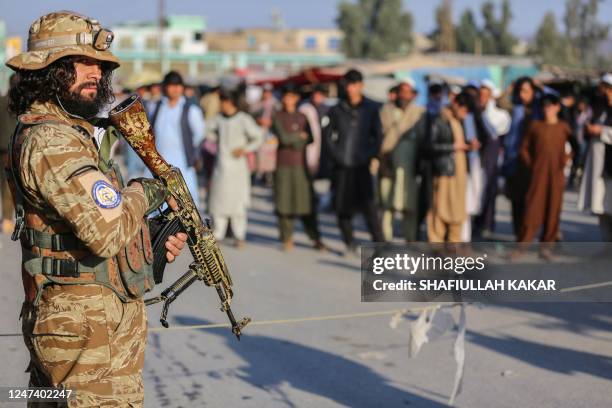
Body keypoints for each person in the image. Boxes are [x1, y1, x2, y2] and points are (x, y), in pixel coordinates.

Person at [6, 11, 187, 406]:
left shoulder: (72, 132)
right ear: (46, 70)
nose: (95, 73)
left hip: (95, 324)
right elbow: (106, 232)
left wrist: (150, 242)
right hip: (83, 333)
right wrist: (146, 191)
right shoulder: (53, 140)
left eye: (99, 64)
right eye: (80, 62)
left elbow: (97, 224)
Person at [322, 69, 384, 253]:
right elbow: (328, 138)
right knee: (342, 207)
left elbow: (377, 137)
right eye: (348, 85)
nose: (351, 89)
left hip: (362, 165)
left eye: (354, 85)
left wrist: (368, 155)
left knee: (369, 207)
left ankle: (380, 245)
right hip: (342, 166)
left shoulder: (371, 109)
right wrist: (337, 156)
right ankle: (349, 242)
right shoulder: (336, 109)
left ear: (361, 86)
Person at [206, 89, 263, 247]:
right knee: (218, 202)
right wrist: (216, 141)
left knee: (238, 204)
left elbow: (258, 136)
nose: (221, 105)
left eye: (222, 101)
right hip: (221, 166)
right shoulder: (218, 119)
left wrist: (245, 149)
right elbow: (207, 131)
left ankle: (239, 236)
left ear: (229, 102)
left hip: (238, 168)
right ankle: (218, 233)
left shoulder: (243, 119)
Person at [517, 94, 572, 256]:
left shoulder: (564, 127)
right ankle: (523, 244)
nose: (547, 109)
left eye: (550, 106)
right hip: (538, 174)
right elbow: (524, 148)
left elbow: (574, 145)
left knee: (553, 208)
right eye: (544, 106)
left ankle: (547, 245)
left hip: (556, 174)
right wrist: (531, 164)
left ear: (557, 107)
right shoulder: (535, 126)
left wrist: (566, 160)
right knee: (532, 208)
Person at [272, 83, 325, 251]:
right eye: (286, 96)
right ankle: (287, 238)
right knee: (284, 204)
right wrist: (298, 137)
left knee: (306, 203)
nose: (289, 100)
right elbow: (284, 139)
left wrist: (294, 139)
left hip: (301, 166)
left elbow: (311, 138)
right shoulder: (277, 116)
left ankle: (315, 238)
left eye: (292, 97)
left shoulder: (303, 116)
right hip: (283, 165)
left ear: (297, 98)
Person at [423, 92, 475, 243]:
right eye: (463, 111)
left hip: (458, 172)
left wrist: (468, 145)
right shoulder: (440, 120)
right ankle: (436, 244)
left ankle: (453, 243)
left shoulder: (459, 121)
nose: (465, 115)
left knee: (457, 208)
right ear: (456, 105)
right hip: (444, 172)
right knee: (439, 209)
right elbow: (430, 146)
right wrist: (452, 146)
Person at [148, 71, 206, 207]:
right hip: (159, 167)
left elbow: (199, 134)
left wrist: (190, 151)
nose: (175, 89)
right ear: (165, 87)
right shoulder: (155, 107)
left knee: (187, 205)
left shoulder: (191, 110)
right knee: (158, 206)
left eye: (178, 85)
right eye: (172, 85)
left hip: (183, 165)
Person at [379, 79, 424, 242]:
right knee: (387, 203)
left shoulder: (419, 113)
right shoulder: (386, 111)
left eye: (408, 92)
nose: (405, 96)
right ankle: (385, 237)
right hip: (389, 162)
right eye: (402, 92)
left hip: (410, 167)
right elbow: (384, 137)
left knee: (409, 204)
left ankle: (410, 237)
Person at [502, 77, 542, 237]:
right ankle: (519, 234)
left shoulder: (539, 110)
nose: (522, 94)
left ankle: (528, 234)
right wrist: (509, 88)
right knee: (515, 200)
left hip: (532, 162)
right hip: (514, 160)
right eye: (520, 91)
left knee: (531, 201)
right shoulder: (515, 107)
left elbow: (557, 102)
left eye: (526, 91)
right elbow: (500, 102)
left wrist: (540, 87)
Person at [474, 80, 511, 237]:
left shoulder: (500, 115)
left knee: (489, 190)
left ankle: (487, 225)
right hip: (475, 158)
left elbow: (495, 132)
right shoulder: (473, 113)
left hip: (490, 158)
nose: (482, 98)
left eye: (485, 95)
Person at [578, 73, 612, 241]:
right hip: (600, 163)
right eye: (605, 89)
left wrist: (602, 131)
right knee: (601, 205)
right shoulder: (600, 108)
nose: (607, 93)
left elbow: (603, 130)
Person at [0, 74, 17, 234]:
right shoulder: (18, 103)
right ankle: (6, 219)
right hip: (12, 147)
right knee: (8, 185)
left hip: (1, 146)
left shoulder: (2, 100)